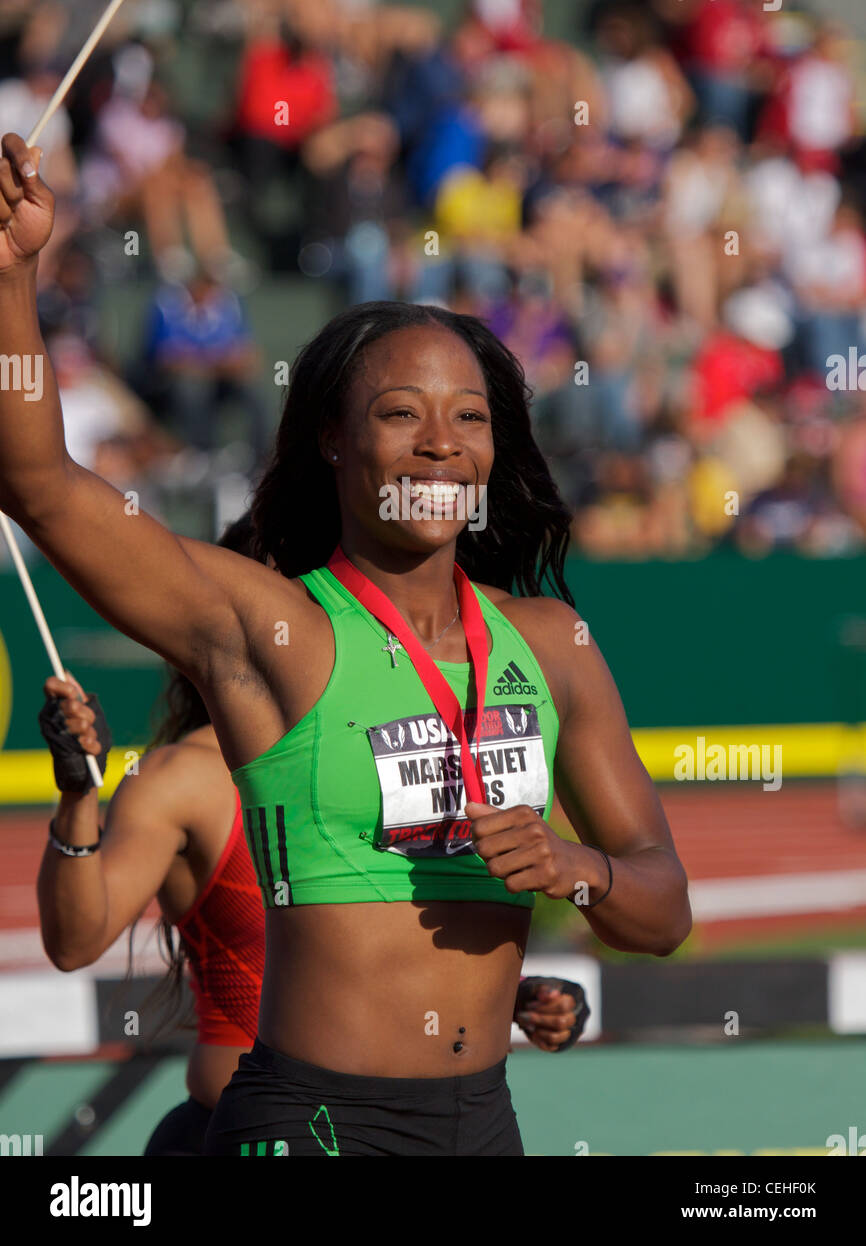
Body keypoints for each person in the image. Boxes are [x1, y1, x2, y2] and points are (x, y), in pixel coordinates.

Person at [0, 131, 690, 1156]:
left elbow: (661, 905)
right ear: (333, 438)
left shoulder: (551, 644)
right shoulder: (279, 630)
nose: (440, 442)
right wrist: (14, 277)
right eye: (399, 413)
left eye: (468, 416)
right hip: (315, 1125)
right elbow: (43, 488)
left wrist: (573, 864)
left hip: (483, 1124)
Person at [36, 521, 588, 1158]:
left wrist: (509, 999)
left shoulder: (376, 765)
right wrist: (79, 796)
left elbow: (378, 952)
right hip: (247, 1132)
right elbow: (75, 941)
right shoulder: (183, 778)